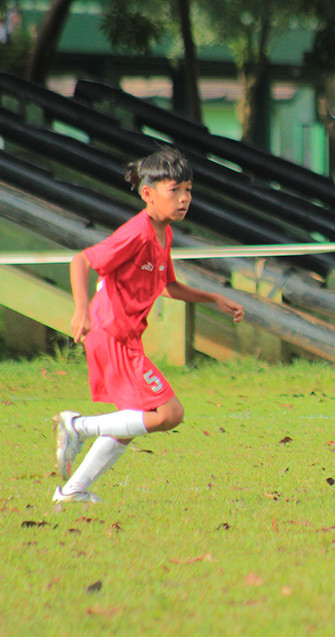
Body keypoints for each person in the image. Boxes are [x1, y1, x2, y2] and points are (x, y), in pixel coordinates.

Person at [52, 147, 245, 503]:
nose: (185, 198)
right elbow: (81, 260)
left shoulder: (163, 233)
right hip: (111, 334)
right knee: (169, 413)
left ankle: (73, 491)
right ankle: (77, 427)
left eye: (188, 189)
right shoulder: (137, 233)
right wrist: (81, 309)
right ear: (148, 193)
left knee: (132, 420)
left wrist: (213, 298)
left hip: (125, 337)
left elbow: (168, 285)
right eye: (175, 190)